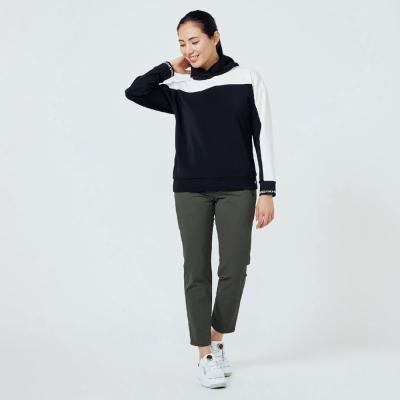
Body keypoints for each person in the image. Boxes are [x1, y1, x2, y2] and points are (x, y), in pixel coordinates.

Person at [124, 9, 277, 389]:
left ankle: (217, 338)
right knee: (196, 271)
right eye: (182, 44)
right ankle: (204, 354)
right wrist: (169, 67)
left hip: (237, 188)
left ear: (215, 37)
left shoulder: (247, 78)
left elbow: (263, 134)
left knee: (235, 267)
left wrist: (268, 190)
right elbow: (135, 91)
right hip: (190, 189)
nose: (188, 50)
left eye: (194, 41)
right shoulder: (180, 86)